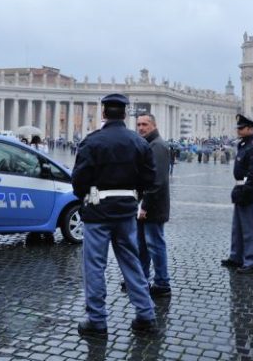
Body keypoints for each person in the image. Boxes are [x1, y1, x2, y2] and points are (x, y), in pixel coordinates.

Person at [72, 93, 157, 336]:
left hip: (98, 212)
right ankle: (146, 315)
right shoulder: (139, 142)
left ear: (103, 113)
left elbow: (79, 179)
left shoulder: (92, 141)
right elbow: (150, 178)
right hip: (126, 212)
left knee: (95, 266)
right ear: (124, 114)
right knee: (132, 262)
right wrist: (133, 196)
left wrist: (86, 197)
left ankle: (97, 320)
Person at [221, 114, 253, 275]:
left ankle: (251, 261)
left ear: (250, 129)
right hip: (240, 190)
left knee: (250, 229)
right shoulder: (244, 144)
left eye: (241, 128)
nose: (239, 130)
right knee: (238, 228)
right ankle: (236, 257)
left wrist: (246, 191)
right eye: (238, 128)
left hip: (249, 191)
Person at [135, 113, 172, 297]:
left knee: (155, 245)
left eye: (145, 124)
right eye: (139, 124)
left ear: (154, 125)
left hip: (153, 206)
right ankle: (141, 280)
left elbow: (157, 181)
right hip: (144, 204)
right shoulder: (148, 144)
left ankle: (162, 283)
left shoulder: (157, 146)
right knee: (142, 244)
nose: (141, 127)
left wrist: (144, 206)